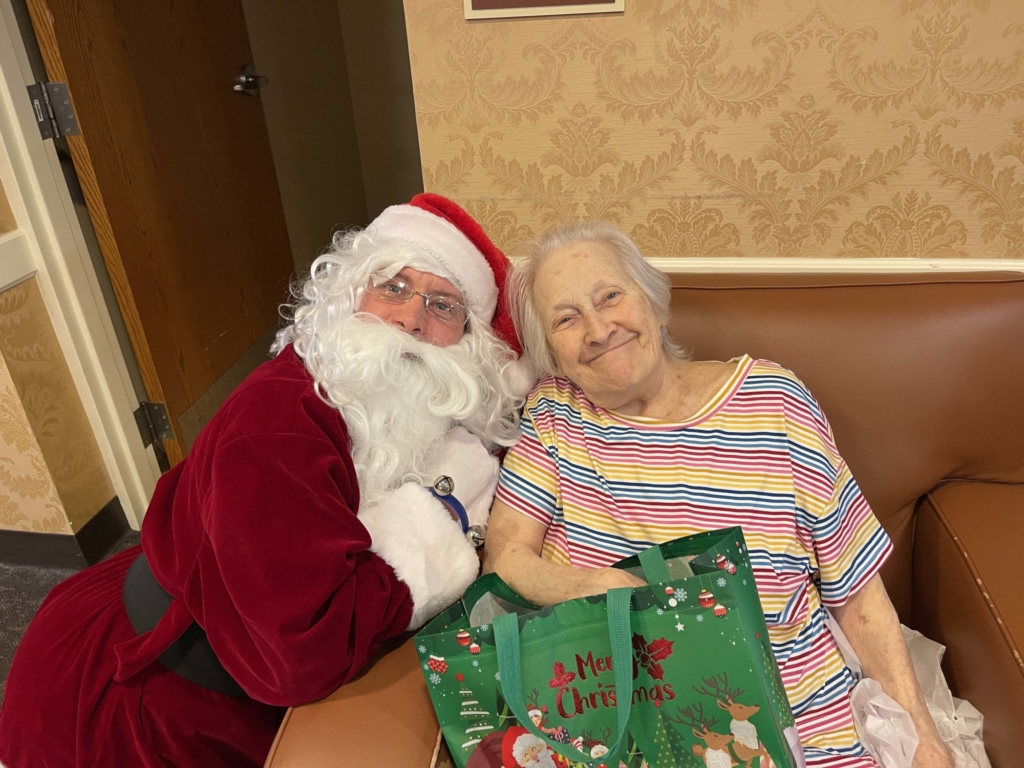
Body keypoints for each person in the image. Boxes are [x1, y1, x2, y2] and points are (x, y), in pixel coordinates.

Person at [0, 193, 531, 768]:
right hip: (145, 704)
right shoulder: (276, 421)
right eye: (393, 287)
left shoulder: (424, 408)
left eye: (443, 305)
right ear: (349, 293)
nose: (410, 319)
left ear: (469, 341)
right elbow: (301, 653)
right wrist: (443, 516)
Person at [484, 221, 954, 768]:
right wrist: (599, 586)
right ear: (551, 352)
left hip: (800, 720)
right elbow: (505, 556)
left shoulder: (774, 400)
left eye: (610, 296)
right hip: (633, 725)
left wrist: (923, 741)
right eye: (566, 318)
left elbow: (856, 590)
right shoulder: (555, 414)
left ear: (654, 303)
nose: (597, 328)